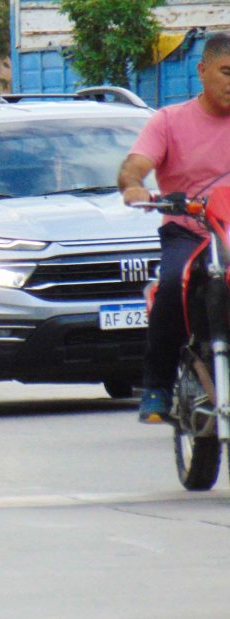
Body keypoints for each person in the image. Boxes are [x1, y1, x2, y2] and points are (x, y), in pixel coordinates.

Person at [118, 32, 230, 424]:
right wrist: (134, 186)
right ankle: (157, 386)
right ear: (202, 71)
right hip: (189, 233)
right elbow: (136, 165)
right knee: (172, 286)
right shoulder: (169, 121)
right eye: (226, 72)